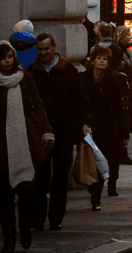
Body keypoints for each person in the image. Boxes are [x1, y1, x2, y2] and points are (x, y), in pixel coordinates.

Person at [0, 42, 54, 253]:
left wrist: (47, 130)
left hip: (24, 140)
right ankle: (9, 238)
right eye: (3, 57)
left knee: (27, 191)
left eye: (11, 56)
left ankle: (25, 230)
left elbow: (38, 105)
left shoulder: (26, 79)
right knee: (4, 196)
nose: (8, 61)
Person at [26, 33, 88, 231]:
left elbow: (80, 98)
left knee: (61, 175)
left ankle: (55, 218)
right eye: (40, 49)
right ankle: (38, 217)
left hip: (64, 129)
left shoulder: (67, 69)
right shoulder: (32, 71)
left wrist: (85, 122)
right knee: (41, 175)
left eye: (46, 48)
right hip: (41, 131)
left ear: (54, 46)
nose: (43, 53)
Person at [81, 46, 129, 210]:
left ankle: (97, 195)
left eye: (105, 59)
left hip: (108, 126)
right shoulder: (84, 79)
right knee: (92, 161)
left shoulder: (112, 82)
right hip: (89, 126)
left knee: (103, 160)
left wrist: (124, 132)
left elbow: (118, 108)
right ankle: (93, 190)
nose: (102, 61)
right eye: (99, 58)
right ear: (93, 60)